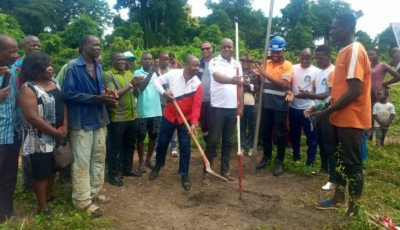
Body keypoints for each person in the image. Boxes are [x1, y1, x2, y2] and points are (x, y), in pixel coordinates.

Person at [313, 13, 371, 218]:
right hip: (339, 116)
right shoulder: (343, 51)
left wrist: (326, 112)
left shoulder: (355, 50)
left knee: (353, 164)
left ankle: (354, 211)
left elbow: (355, 90)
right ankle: (339, 197)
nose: (331, 31)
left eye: (334, 27)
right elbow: (339, 89)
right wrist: (325, 107)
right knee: (339, 160)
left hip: (351, 118)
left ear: (346, 28)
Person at [63, 35, 117, 217]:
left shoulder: (98, 66)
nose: (99, 48)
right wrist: (96, 98)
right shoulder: (73, 67)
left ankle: (94, 192)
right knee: (82, 162)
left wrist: (106, 95)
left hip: (99, 119)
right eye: (95, 45)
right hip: (82, 122)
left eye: (100, 45)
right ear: (85, 46)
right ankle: (82, 201)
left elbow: (99, 91)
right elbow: (69, 94)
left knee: (99, 158)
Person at [18, 52, 68, 218]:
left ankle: (48, 196)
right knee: (41, 172)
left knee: (53, 168)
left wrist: (65, 127)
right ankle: (42, 207)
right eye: (47, 65)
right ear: (36, 68)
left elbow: (63, 104)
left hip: (58, 134)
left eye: (51, 63)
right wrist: (55, 133)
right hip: (39, 138)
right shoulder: (28, 89)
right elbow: (32, 117)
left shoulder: (54, 82)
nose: (51, 68)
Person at [150, 55, 203, 191]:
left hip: (184, 119)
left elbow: (196, 107)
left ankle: (184, 174)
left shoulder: (197, 84)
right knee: (162, 142)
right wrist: (164, 93)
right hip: (169, 116)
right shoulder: (173, 74)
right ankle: (158, 166)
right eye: (194, 65)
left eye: (198, 65)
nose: (197, 68)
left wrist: (193, 123)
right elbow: (156, 81)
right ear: (186, 64)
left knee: (185, 147)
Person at [203, 38, 243, 185]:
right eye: (225, 47)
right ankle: (206, 171)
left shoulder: (237, 64)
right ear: (220, 48)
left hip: (232, 108)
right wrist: (232, 80)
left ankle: (225, 170)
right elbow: (217, 77)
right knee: (213, 141)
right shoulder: (214, 62)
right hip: (218, 108)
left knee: (228, 141)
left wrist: (241, 105)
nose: (227, 49)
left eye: (230, 47)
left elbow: (241, 85)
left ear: (233, 48)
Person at [254, 36, 293, 176]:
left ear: (283, 50)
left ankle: (279, 161)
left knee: (280, 134)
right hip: (266, 104)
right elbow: (261, 83)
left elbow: (284, 84)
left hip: (279, 105)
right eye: (273, 52)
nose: (275, 55)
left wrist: (265, 74)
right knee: (265, 132)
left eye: (278, 52)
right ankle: (266, 156)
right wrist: (259, 76)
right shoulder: (267, 63)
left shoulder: (287, 65)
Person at [103, 51, 143, 187]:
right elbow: (113, 95)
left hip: (132, 116)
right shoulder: (108, 75)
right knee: (114, 147)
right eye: (119, 59)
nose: (122, 62)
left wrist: (136, 86)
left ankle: (127, 168)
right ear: (112, 61)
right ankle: (112, 174)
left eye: (123, 60)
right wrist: (131, 85)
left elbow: (135, 93)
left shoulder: (129, 73)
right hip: (118, 117)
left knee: (130, 144)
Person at [299, 45, 336, 190]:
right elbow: (320, 95)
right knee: (321, 141)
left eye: (321, 58)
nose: (318, 60)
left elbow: (330, 95)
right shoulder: (320, 73)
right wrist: (314, 107)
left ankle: (333, 178)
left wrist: (309, 96)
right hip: (320, 112)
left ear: (328, 55)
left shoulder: (332, 72)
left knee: (329, 145)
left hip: (328, 113)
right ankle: (324, 168)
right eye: (317, 58)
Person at [12, 35, 41, 193]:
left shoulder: (41, 64)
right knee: (28, 147)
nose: (37, 47)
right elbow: (15, 93)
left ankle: (40, 179)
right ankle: (28, 184)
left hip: (41, 110)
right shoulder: (17, 67)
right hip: (23, 112)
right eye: (33, 45)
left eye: (38, 45)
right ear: (25, 47)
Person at [0, 35, 20, 224]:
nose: (16, 55)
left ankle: (5, 213)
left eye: (16, 50)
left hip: (12, 132)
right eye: (11, 51)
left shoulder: (12, 71)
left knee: (8, 176)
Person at [289, 48, 319, 167]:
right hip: (293, 107)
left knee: (311, 136)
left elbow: (317, 90)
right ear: (299, 57)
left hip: (308, 109)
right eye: (302, 57)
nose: (305, 60)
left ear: (312, 58)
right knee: (294, 134)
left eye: (307, 58)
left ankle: (310, 161)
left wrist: (309, 94)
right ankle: (296, 156)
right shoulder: (293, 68)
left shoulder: (316, 71)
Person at [134, 53, 162, 173]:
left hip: (156, 111)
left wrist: (157, 73)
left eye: (150, 59)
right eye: (145, 59)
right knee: (140, 137)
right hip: (143, 111)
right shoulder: (137, 73)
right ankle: (141, 162)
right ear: (141, 60)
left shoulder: (157, 73)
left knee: (153, 136)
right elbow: (141, 88)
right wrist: (151, 72)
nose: (147, 61)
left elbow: (163, 85)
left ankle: (148, 159)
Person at [239, 54, 260, 157]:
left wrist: (246, 85)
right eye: (243, 61)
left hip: (252, 102)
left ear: (250, 63)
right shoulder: (237, 73)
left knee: (252, 126)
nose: (245, 63)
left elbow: (256, 88)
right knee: (241, 125)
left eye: (247, 62)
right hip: (240, 102)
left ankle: (251, 146)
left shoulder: (254, 74)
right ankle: (242, 146)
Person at [197, 41, 214, 143]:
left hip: (214, 99)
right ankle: (208, 144)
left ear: (212, 49)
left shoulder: (217, 62)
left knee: (213, 123)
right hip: (201, 99)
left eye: (208, 48)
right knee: (203, 124)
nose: (205, 50)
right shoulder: (199, 63)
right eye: (203, 49)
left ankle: (212, 146)